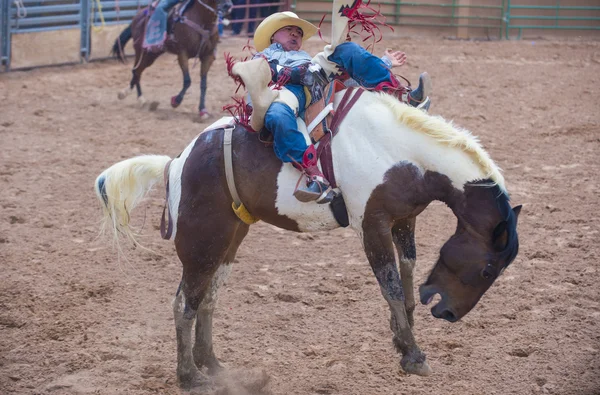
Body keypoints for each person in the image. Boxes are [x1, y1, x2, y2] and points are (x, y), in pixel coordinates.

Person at [231, 8, 431, 204]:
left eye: (299, 32)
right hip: (283, 93)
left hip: (314, 83)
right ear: (273, 37)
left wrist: (385, 62)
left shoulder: (309, 59)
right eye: (288, 30)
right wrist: (294, 74)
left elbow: (345, 75)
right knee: (277, 115)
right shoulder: (262, 57)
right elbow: (258, 74)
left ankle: (400, 95)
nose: (295, 33)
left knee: (345, 50)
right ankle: (313, 175)